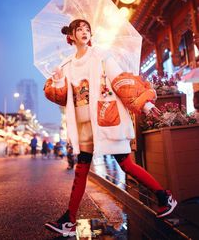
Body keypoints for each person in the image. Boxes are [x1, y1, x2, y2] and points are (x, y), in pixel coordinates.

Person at [44, 19, 177, 237]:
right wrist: (58, 81)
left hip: (106, 118)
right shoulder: (66, 66)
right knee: (81, 170)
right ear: (70, 36)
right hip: (83, 125)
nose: (85, 32)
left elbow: (120, 81)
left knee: (126, 164)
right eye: (80, 29)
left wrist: (145, 103)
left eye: (87, 29)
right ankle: (68, 220)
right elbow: (60, 97)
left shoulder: (101, 56)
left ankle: (164, 197)